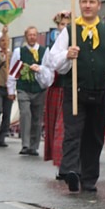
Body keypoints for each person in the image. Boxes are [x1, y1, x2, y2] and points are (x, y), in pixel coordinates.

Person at [50, 0, 105, 193]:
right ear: (79, 5)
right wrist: (66, 55)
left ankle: (89, 178)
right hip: (74, 90)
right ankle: (72, 171)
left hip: (99, 90)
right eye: (84, 2)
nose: (88, 5)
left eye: (92, 2)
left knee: (95, 135)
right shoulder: (69, 31)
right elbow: (54, 60)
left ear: (99, 5)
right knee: (73, 132)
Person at [7, 26, 53, 156]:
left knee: (37, 118)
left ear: (37, 36)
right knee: (25, 114)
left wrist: (40, 70)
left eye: (34, 35)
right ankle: (25, 144)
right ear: (26, 36)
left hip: (39, 88)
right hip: (23, 88)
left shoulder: (45, 51)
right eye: (30, 35)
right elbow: (13, 71)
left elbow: (48, 70)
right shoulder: (19, 52)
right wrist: (10, 90)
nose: (32, 37)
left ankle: (34, 146)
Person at [43, 11, 70, 169]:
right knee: (57, 128)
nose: (65, 27)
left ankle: (72, 161)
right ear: (57, 26)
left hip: (72, 89)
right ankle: (61, 163)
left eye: (68, 24)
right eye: (62, 24)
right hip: (56, 90)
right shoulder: (50, 49)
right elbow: (47, 72)